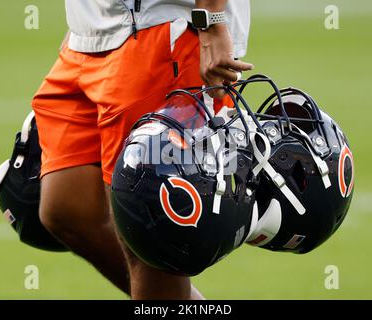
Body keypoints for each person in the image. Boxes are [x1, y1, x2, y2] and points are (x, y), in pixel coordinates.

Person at [31, 0, 253, 299]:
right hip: (93, 36)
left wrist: (210, 19)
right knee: (67, 208)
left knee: (148, 237)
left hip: (160, 30)